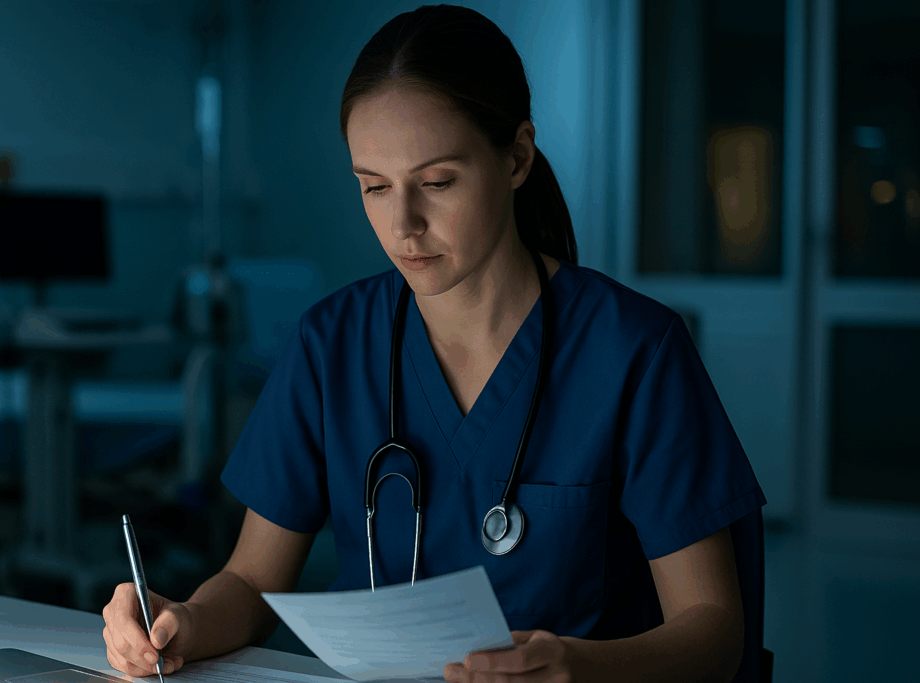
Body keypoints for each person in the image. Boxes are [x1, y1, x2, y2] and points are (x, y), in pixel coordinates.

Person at [101, 4, 766, 682]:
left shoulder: (633, 352)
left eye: (438, 183)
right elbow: (248, 581)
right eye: (374, 187)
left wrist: (578, 667)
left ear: (516, 157)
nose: (403, 225)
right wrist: (179, 619)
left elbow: (715, 629)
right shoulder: (331, 346)